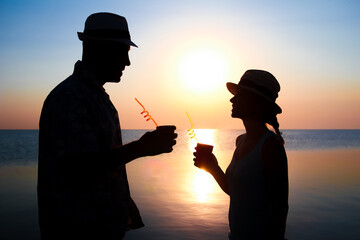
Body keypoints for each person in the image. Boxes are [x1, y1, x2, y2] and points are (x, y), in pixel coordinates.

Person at [37, 12, 177, 240]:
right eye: (123, 52)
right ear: (98, 49)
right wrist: (142, 148)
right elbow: (75, 167)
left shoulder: (94, 97)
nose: (127, 62)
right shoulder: (70, 98)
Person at [193, 70, 289, 240]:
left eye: (239, 95)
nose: (232, 99)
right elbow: (235, 191)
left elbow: (280, 209)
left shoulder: (270, 146)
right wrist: (212, 167)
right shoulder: (240, 141)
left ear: (255, 102)